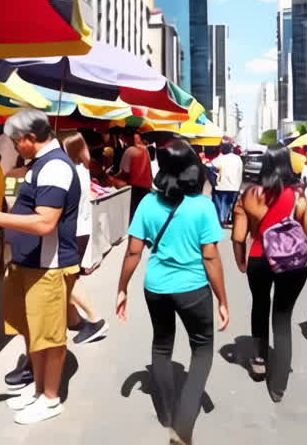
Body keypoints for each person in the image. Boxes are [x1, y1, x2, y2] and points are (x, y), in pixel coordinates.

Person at [0, 109, 80, 426]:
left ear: (30, 138)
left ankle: (50, 398)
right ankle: (37, 388)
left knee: (49, 336)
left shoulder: (55, 168)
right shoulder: (40, 164)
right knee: (31, 331)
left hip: (47, 266)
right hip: (28, 262)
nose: (13, 147)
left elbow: (45, 222)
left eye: (15, 141)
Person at [116, 139, 228, 445]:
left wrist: (122, 289)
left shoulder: (148, 203)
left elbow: (133, 251)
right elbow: (210, 257)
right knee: (202, 350)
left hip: (156, 287)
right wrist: (222, 299)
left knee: (162, 345)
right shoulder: (203, 206)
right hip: (194, 290)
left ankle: (166, 414)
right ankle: (183, 424)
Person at [231, 144, 307, 402]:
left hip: (259, 259)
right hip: (292, 263)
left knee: (259, 305)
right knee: (282, 317)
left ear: (264, 164)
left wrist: (241, 261)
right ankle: (278, 385)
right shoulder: (298, 194)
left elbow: (238, 236)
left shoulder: (249, 194)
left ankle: (259, 361)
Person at [61, 132, 108, 345]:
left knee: (66, 277)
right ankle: (73, 319)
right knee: (69, 276)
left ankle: (95, 320)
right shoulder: (82, 169)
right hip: (82, 229)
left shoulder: (68, 171)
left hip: (72, 230)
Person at [114, 130, 154, 218]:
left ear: (127, 138)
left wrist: (111, 179)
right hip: (146, 188)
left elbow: (124, 173)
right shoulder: (145, 150)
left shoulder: (130, 151)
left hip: (134, 190)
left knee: (133, 216)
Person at [212, 143, 243, 227]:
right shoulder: (238, 159)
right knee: (230, 204)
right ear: (231, 149)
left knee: (219, 204)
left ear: (221, 150)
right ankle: (228, 219)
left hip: (220, 186)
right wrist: (238, 185)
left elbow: (213, 172)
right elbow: (239, 173)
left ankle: (221, 220)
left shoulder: (217, 160)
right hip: (234, 186)